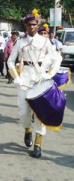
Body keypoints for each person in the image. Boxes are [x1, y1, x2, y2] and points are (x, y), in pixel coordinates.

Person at [7, 9, 62, 158]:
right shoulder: (20, 42)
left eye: (34, 24)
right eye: (28, 25)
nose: (31, 27)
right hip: (24, 79)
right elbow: (10, 60)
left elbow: (57, 59)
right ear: (25, 26)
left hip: (40, 80)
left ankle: (38, 143)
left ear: (38, 25)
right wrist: (15, 77)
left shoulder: (45, 42)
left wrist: (50, 75)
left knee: (40, 113)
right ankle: (27, 130)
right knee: (24, 113)